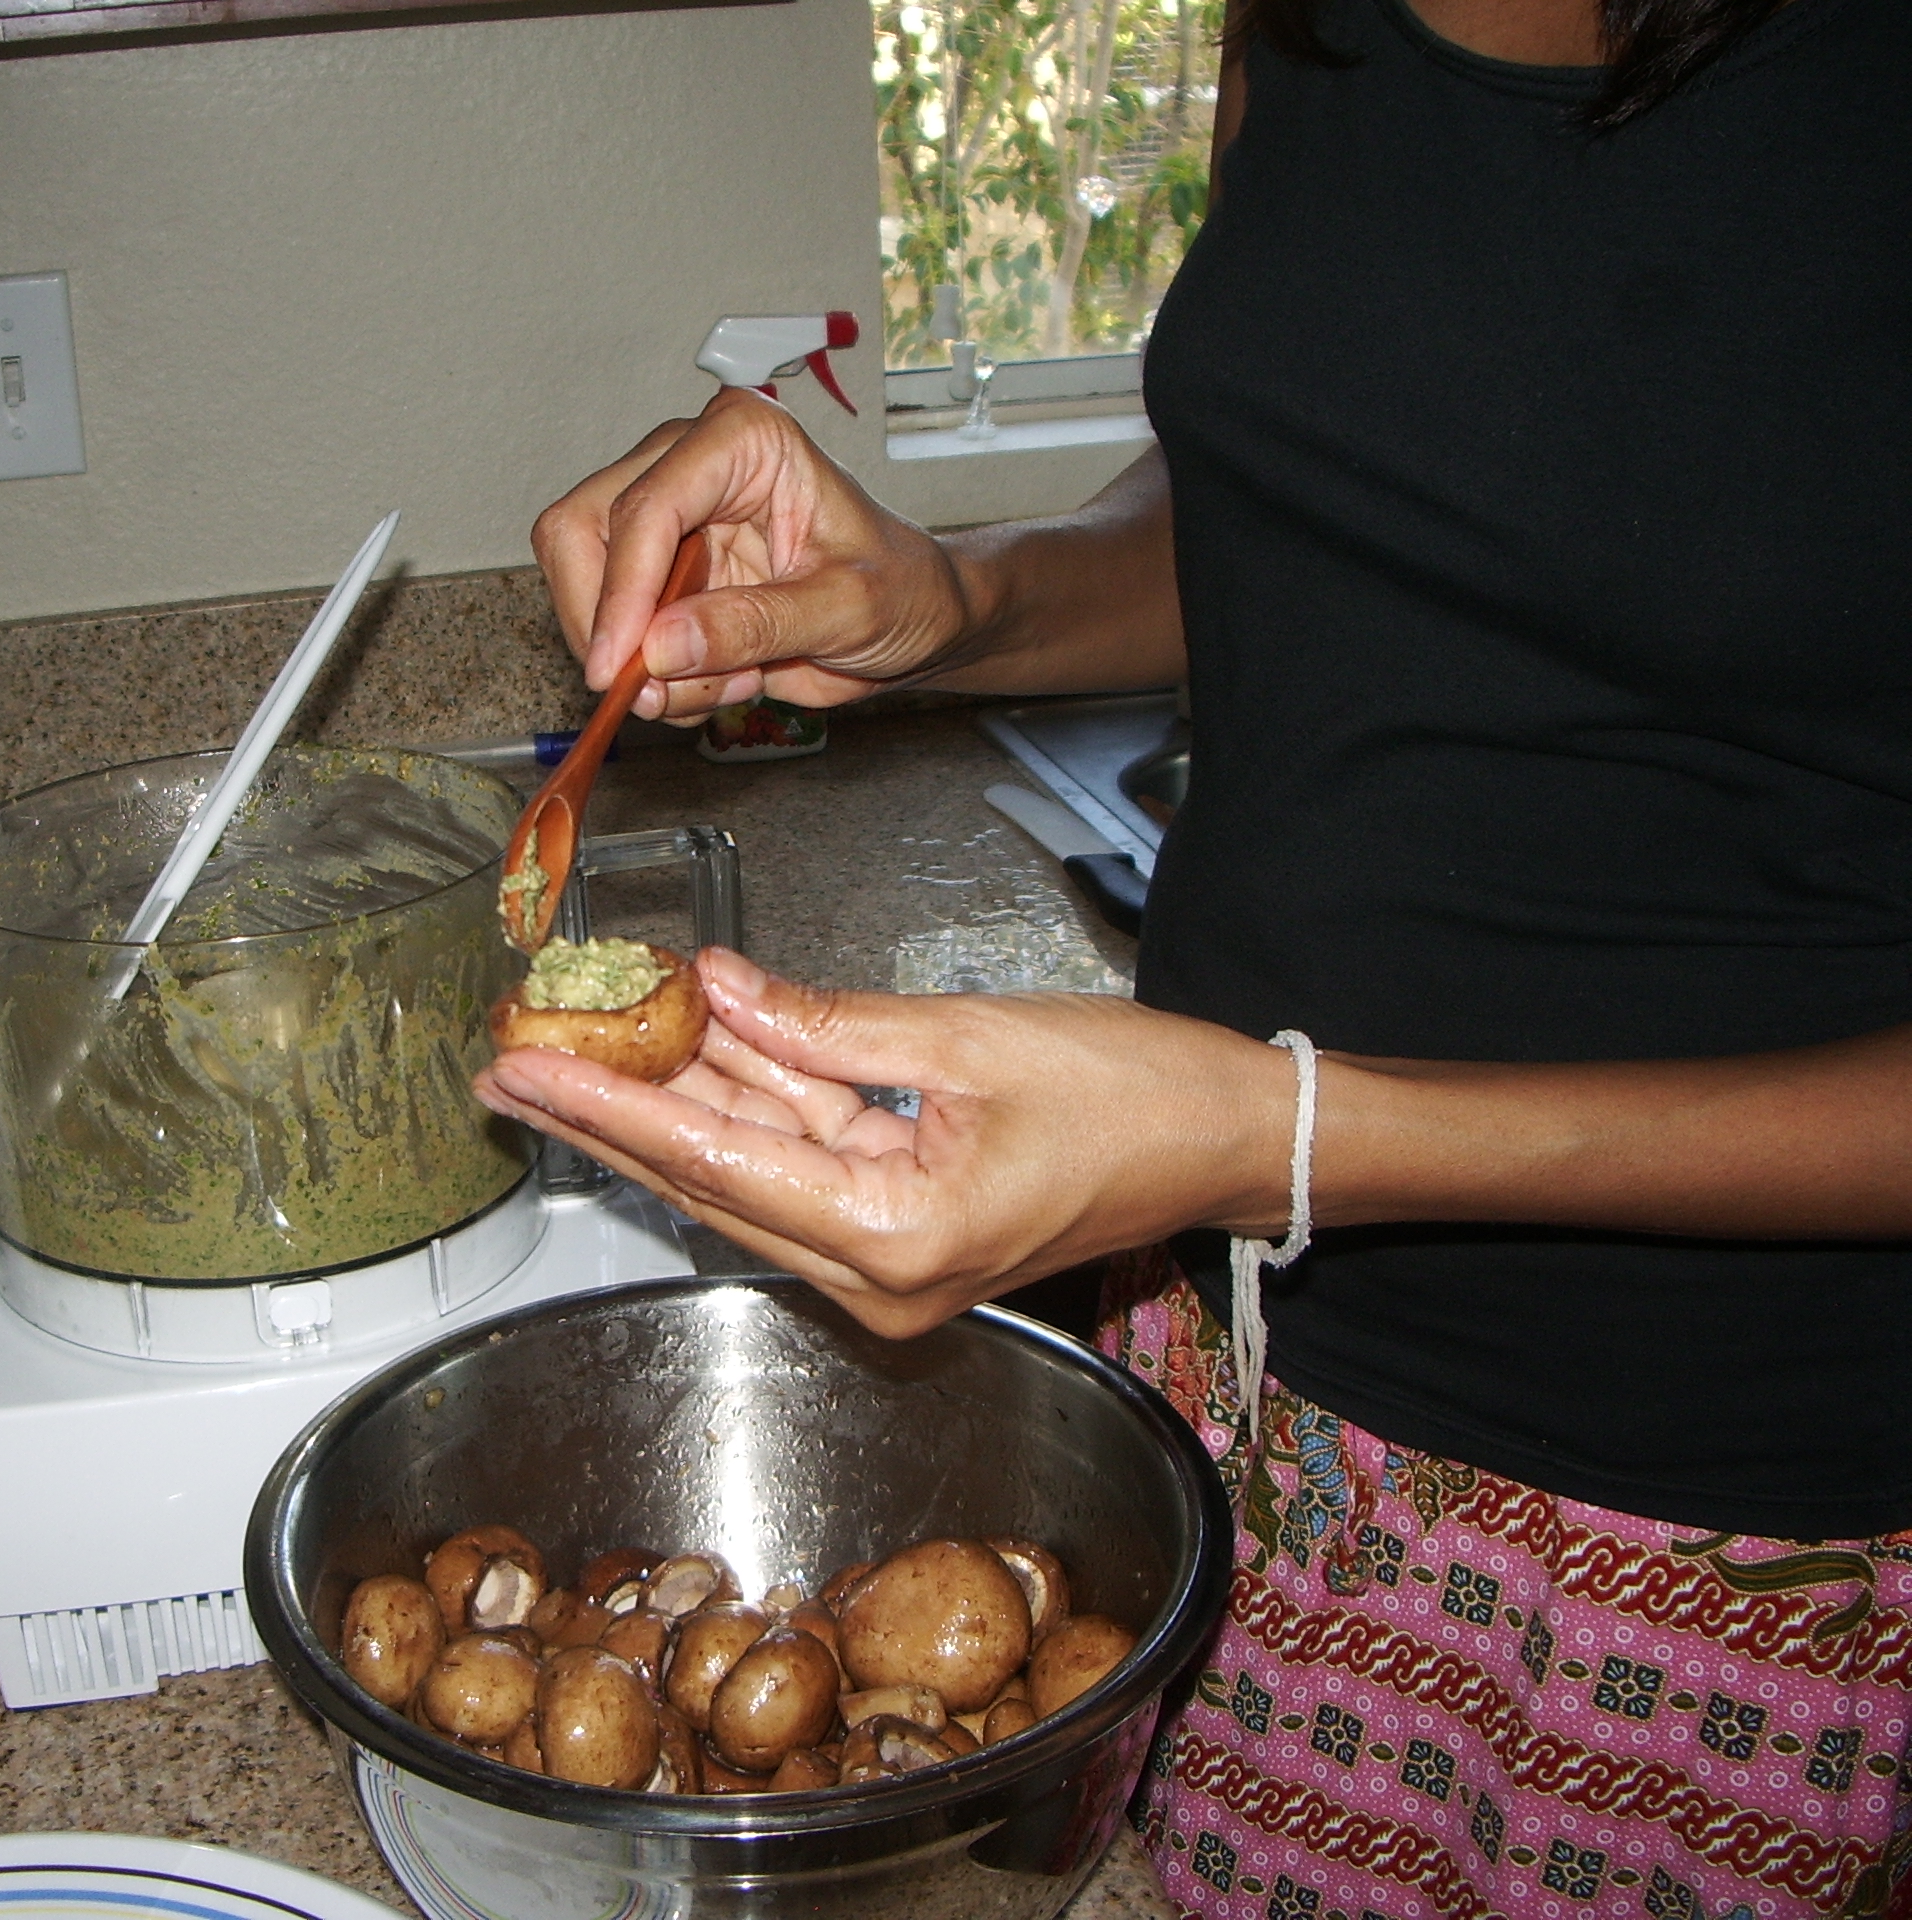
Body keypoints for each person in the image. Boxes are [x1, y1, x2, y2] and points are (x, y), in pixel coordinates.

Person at [476, 0, 1912, 1915]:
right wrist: (952, 601)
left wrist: (1290, 1133)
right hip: (1238, 1386)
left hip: (1697, 1525)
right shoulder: (1309, 18)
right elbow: (1307, 512)